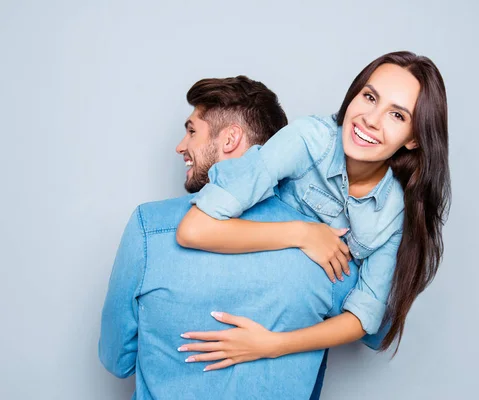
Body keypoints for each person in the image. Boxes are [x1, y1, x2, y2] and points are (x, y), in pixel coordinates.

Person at [176, 51, 451, 374]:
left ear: (415, 139)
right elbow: (191, 230)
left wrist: (273, 345)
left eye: (397, 116)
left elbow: (364, 319)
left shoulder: (395, 213)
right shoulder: (308, 140)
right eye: (369, 97)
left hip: (296, 337)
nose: (370, 120)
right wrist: (303, 233)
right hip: (243, 289)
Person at [98, 76, 371, 399]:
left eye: (192, 131)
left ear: (230, 140)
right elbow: (375, 329)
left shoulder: (149, 227)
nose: (180, 146)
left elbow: (117, 360)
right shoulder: (325, 245)